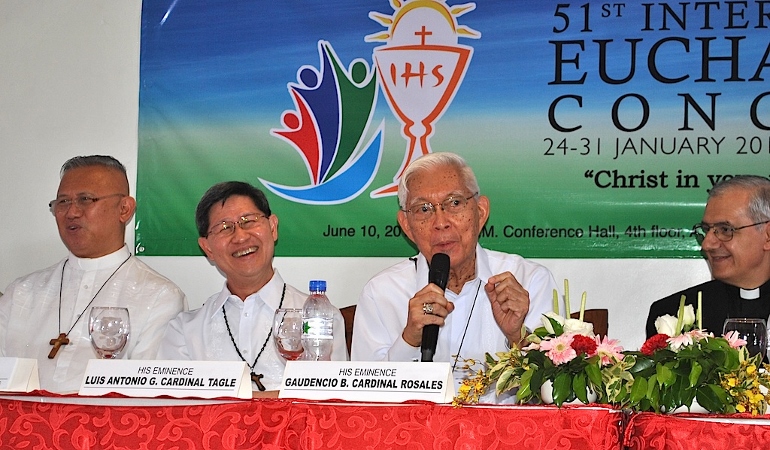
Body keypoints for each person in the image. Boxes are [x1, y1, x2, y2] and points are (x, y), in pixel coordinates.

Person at [350, 152, 557, 399]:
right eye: (423, 209)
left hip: (505, 435)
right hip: (416, 435)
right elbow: (363, 401)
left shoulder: (530, 282)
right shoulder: (382, 293)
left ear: (480, 212)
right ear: (407, 225)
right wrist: (409, 340)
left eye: (455, 203)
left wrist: (517, 337)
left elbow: (557, 396)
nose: (441, 222)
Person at [0, 155, 187, 393]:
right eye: (63, 202)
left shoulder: (159, 297)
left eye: (85, 200)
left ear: (124, 209)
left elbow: (148, 400)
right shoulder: (21, 293)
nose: (71, 212)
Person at [158, 181, 348, 391]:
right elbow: (177, 411)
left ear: (273, 227)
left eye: (248, 221)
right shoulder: (184, 331)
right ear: (207, 248)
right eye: (224, 228)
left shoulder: (322, 318)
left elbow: (331, 403)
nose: (240, 236)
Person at [646, 175, 770, 337]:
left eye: (725, 230)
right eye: (706, 230)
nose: (707, 244)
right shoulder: (672, 313)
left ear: (767, 235)